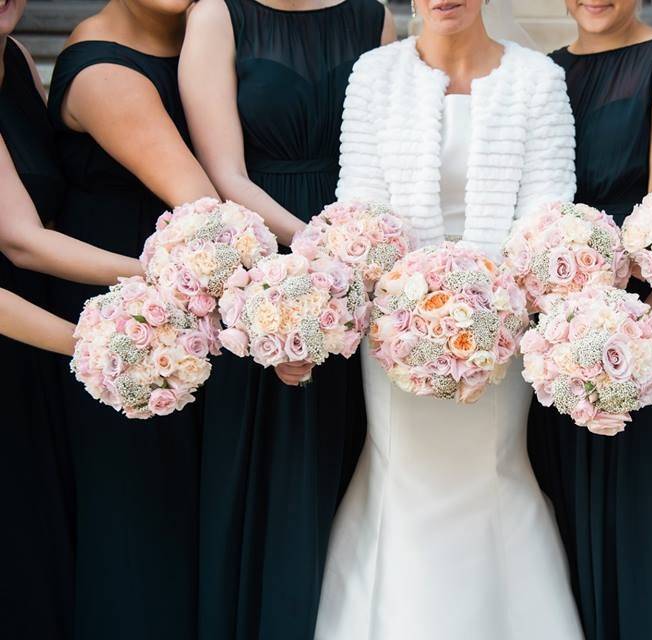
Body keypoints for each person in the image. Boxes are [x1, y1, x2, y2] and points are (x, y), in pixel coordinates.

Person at [313, 1, 583, 638]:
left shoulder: (536, 79)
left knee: (496, 470)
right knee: (401, 472)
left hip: (501, 329)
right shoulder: (374, 75)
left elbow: (547, 213)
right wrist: (412, 306)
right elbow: (362, 210)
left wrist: (486, 305)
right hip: (393, 330)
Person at [179, 0, 392, 636]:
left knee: (349, 452)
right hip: (264, 267)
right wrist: (317, 252)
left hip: (360, 263)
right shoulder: (218, 15)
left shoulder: (373, 16)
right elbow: (222, 173)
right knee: (269, 471)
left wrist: (364, 255)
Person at [525, 1, 652, 638]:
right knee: (564, 523)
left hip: (632, 342)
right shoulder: (543, 72)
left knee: (637, 528)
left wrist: (622, 346)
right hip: (552, 345)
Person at [46, 0, 218, 635]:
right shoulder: (101, 69)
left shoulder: (209, 34)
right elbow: (204, 207)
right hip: (129, 328)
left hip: (196, 312)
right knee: (142, 521)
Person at [0, 2, 145, 635]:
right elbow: (20, 241)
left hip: (38, 353)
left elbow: (45, 220)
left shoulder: (17, 60)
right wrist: (157, 284)